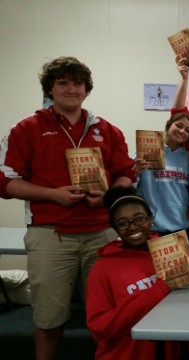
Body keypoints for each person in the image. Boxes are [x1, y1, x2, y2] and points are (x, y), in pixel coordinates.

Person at [0, 56, 137, 360]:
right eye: (62, 82)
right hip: (50, 236)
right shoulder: (26, 129)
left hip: (102, 234)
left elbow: (127, 174)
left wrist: (107, 195)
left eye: (77, 83)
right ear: (50, 89)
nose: (71, 89)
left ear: (87, 90)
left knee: (109, 316)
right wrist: (52, 194)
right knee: (48, 319)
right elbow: (5, 182)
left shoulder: (107, 130)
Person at [86, 187, 189, 360]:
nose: (133, 227)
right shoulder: (102, 269)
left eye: (139, 219)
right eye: (122, 223)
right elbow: (99, 328)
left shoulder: (169, 249)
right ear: (115, 229)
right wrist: (161, 287)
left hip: (178, 350)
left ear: (150, 219)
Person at [135, 112, 189, 239]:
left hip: (182, 227)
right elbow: (130, 185)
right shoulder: (145, 152)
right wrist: (135, 172)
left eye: (187, 130)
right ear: (168, 126)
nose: (182, 131)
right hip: (151, 227)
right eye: (178, 126)